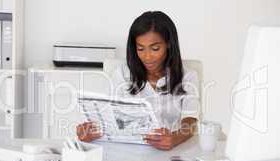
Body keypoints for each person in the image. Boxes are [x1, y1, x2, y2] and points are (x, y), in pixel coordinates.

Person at [77, 11, 199, 150]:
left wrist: (175, 138)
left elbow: (190, 120)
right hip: (128, 150)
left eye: (155, 48)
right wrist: (89, 132)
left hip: (171, 151)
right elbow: (108, 116)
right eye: (140, 49)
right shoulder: (122, 74)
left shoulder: (188, 76)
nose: (147, 57)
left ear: (169, 44)